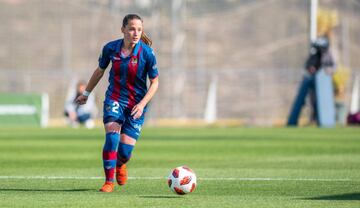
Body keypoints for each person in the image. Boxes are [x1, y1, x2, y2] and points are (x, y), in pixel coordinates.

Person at [75, 14, 159, 193]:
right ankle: (108, 182)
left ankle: (120, 164)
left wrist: (143, 104)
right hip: (115, 99)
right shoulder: (110, 49)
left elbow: (155, 83)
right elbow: (99, 71)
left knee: (125, 152)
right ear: (123, 30)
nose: (135, 33)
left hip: (137, 104)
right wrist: (86, 93)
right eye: (131, 29)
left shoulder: (147, 53)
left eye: (139, 29)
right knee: (112, 137)